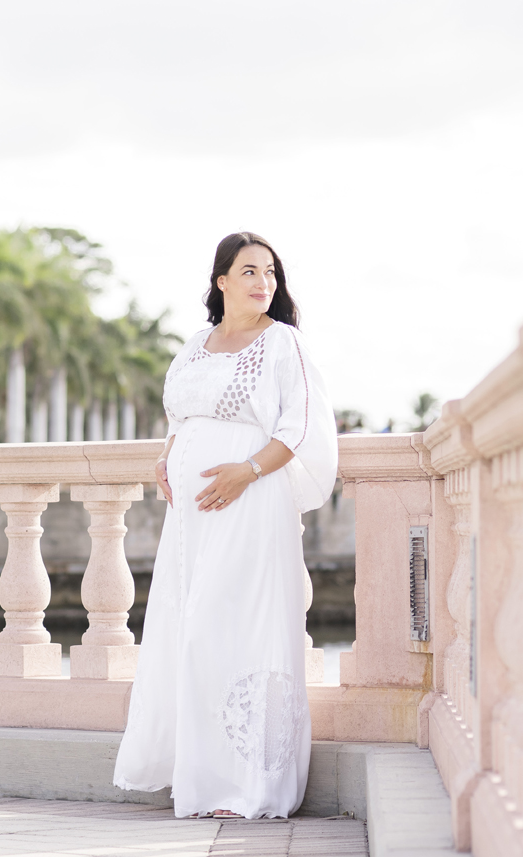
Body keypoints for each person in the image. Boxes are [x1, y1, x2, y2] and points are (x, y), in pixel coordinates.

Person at [113, 232, 338, 819]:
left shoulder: (284, 344)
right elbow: (181, 414)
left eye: (270, 273)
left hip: (251, 503)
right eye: (249, 271)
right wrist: (168, 455)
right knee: (190, 630)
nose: (263, 282)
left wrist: (246, 470)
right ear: (221, 281)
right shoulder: (196, 344)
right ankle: (201, 774)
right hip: (192, 517)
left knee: (236, 623)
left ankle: (248, 786)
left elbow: (300, 427)